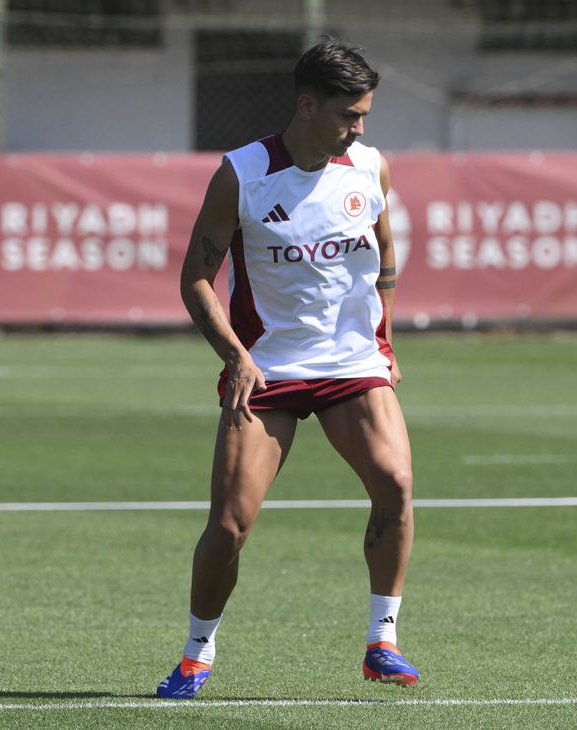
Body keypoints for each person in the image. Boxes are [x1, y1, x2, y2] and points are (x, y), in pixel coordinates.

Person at [156, 38, 418, 699]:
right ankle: (195, 654)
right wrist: (235, 357)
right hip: (266, 366)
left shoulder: (370, 168)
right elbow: (195, 280)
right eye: (347, 115)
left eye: (364, 117)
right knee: (230, 524)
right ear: (307, 105)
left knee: (395, 482)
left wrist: (383, 339)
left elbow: (384, 253)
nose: (359, 129)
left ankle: (381, 643)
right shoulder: (242, 174)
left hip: (352, 364)